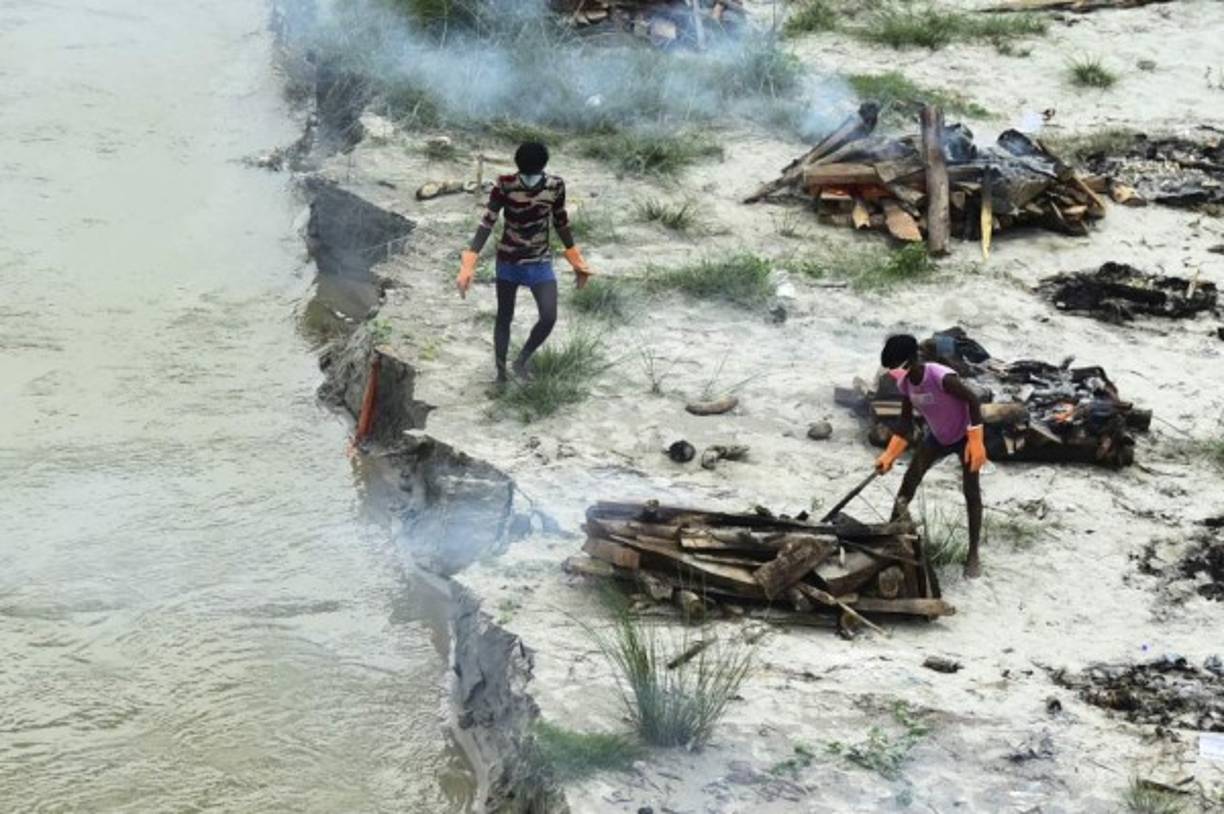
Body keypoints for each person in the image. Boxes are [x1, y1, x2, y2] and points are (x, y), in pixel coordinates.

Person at [455, 141, 592, 384]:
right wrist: (469, 260)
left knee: (546, 316)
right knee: (506, 317)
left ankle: (520, 361)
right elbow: (490, 220)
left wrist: (575, 257)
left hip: (538, 261)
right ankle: (500, 374)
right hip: (510, 262)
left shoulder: (554, 186)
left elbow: (559, 219)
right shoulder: (506, 184)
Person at [874, 334, 988, 578]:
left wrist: (976, 441)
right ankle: (891, 533)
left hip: (965, 436)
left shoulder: (939, 376)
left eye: (894, 367)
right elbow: (905, 424)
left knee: (971, 491)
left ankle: (973, 554)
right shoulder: (905, 384)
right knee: (909, 481)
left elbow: (972, 400)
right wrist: (889, 455)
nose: (892, 373)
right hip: (937, 437)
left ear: (908, 362)